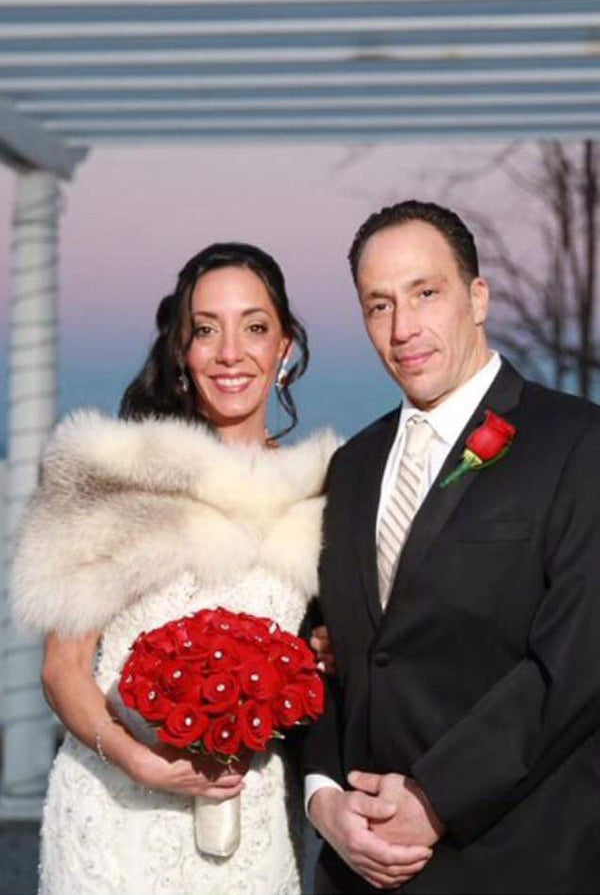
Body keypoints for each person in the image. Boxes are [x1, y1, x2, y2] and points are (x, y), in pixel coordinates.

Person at [11, 242, 355, 895]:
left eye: (255, 327)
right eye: (206, 330)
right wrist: (137, 760)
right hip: (116, 815)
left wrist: (324, 652)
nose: (231, 352)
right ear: (181, 349)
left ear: (285, 346)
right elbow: (62, 668)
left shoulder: (325, 490)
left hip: (251, 812)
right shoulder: (118, 474)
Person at [304, 200, 600, 894]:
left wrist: (435, 797)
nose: (402, 328)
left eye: (425, 293)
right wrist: (323, 798)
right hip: (359, 871)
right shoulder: (350, 466)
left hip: (517, 863)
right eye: (379, 305)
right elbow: (327, 653)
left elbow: (578, 659)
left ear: (477, 298)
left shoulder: (578, 443)